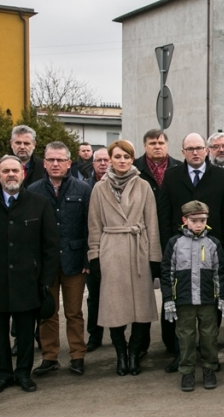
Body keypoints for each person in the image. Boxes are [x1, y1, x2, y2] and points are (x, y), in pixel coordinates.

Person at [0, 155, 59, 396]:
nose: (10, 174)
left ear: (23, 174)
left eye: (14, 171)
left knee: (26, 332)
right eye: (5, 171)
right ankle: (3, 375)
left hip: (28, 280)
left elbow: (50, 245)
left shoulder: (40, 203)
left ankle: (22, 374)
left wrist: (46, 280)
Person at [88, 140, 162, 377]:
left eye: (127, 157)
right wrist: (94, 256)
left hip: (138, 249)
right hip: (112, 250)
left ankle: (134, 353)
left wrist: (154, 257)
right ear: (110, 159)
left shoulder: (143, 186)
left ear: (132, 159)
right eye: (118, 156)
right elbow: (94, 224)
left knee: (142, 307)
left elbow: (152, 223)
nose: (122, 161)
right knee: (114, 307)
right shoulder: (99, 189)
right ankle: (120, 353)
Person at [28, 142, 92, 376]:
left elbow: (89, 226)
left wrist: (87, 259)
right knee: (48, 312)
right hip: (45, 263)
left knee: (74, 312)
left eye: (60, 160)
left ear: (68, 163)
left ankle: (77, 355)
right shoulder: (33, 190)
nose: (55, 164)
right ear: (44, 163)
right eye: (51, 160)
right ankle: (49, 356)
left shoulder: (83, 189)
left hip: (74, 260)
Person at [160, 201, 224, 391]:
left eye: (203, 220)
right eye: (194, 220)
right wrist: (168, 299)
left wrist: (222, 297)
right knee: (186, 337)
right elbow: (167, 272)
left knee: (209, 336)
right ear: (185, 220)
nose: (199, 224)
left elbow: (220, 273)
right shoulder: (175, 243)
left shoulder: (213, 243)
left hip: (207, 299)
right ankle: (187, 371)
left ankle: (209, 368)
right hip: (184, 300)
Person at [134, 129, 182, 362]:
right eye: (152, 142)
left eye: (161, 142)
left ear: (167, 145)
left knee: (171, 292)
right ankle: (140, 343)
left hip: (173, 238)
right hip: (143, 240)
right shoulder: (135, 170)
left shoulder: (177, 169)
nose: (157, 146)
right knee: (143, 294)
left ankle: (171, 342)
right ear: (145, 145)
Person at [84, 146, 111, 352]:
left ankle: (117, 333)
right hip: (94, 249)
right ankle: (95, 335)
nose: (103, 163)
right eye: (98, 160)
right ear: (93, 164)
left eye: (106, 159)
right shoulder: (85, 187)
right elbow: (85, 224)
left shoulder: (116, 185)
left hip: (115, 249)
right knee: (94, 297)